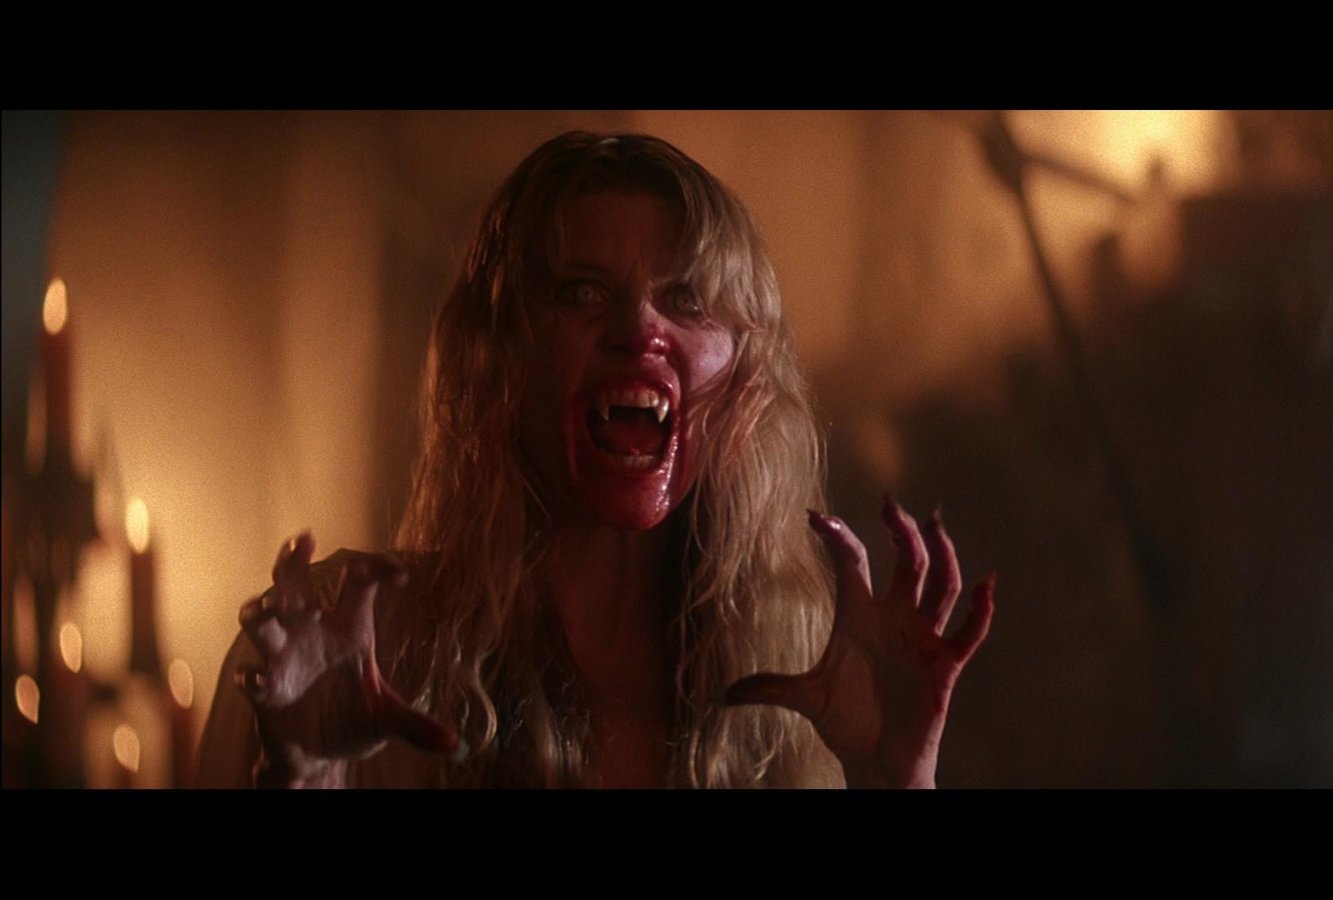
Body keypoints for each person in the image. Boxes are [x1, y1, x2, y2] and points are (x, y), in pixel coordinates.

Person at [195, 131, 995, 788]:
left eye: (686, 299)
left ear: (747, 379)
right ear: (499, 357)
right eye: (581, 292)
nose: (638, 328)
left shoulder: (799, 686)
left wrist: (895, 779)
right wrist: (302, 777)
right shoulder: (354, 646)